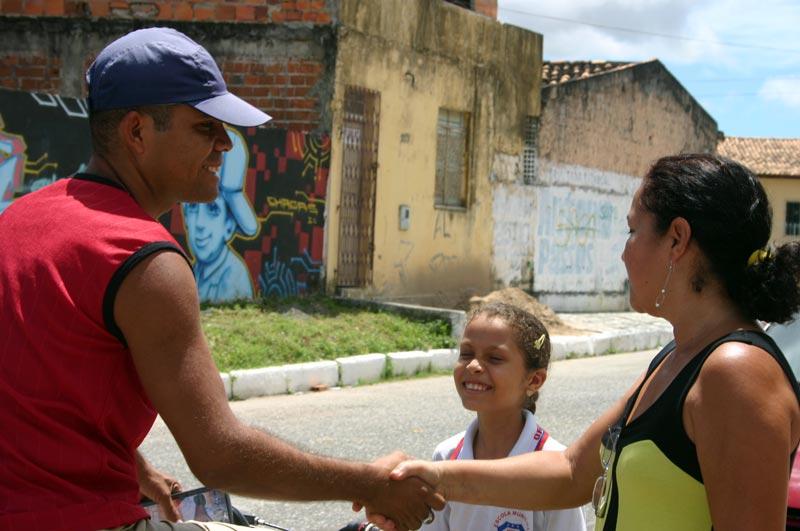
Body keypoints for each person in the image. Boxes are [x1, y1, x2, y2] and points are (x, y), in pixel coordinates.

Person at [0, 27, 441, 531]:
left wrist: (133, 466)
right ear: (137, 132)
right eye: (205, 127)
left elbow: (35, 389)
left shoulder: (19, 219)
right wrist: (370, 483)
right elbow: (221, 457)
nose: (225, 144)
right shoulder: (144, 260)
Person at [392, 153, 800, 530]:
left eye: (632, 230)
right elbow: (571, 473)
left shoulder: (735, 373)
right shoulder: (678, 357)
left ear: (677, 239)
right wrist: (436, 476)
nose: (624, 253)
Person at [421, 302, 586, 531]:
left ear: (534, 380)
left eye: (495, 358)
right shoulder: (447, 456)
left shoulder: (554, 468)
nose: (473, 365)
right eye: (466, 354)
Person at [183, 128, 256, 303]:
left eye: (212, 210)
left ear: (229, 226)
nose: (199, 224)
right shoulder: (195, 271)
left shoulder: (233, 278)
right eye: (192, 207)